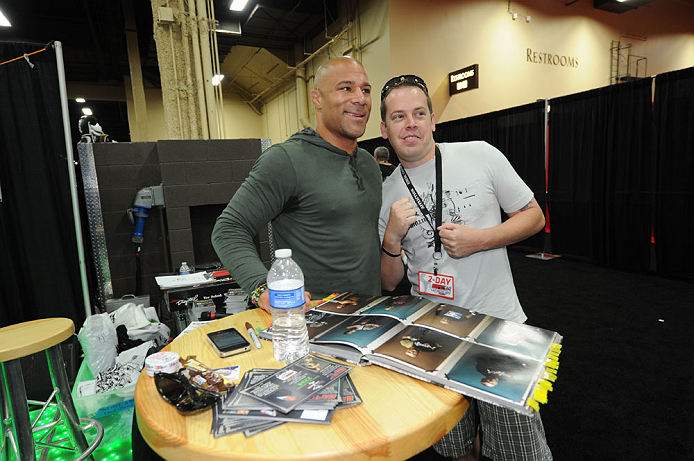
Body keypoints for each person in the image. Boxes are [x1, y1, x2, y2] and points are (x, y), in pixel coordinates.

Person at [378, 75, 551, 461]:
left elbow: (534, 216)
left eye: (419, 113)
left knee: (520, 449)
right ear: (384, 129)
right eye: (399, 116)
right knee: (453, 445)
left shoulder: (480, 154)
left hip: (498, 325)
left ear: (433, 119)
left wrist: (480, 239)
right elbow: (389, 282)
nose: (411, 124)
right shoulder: (388, 190)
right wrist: (391, 241)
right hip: (432, 330)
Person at [211, 57, 382, 313]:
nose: (360, 98)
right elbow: (228, 229)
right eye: (346, 88)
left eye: (365, 90)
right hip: (313, 323)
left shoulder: (369, 164)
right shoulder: (286, 160)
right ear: (317, 99)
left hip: (370, 318)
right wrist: (261, 288)